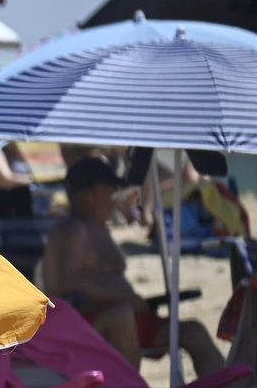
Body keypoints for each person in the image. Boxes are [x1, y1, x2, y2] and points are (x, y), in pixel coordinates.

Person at [42, 157, 225, 376]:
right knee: (122, 317)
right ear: (95, 192)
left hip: (122, 315)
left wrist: (128, 300)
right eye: (112, 190)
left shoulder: (98, 227)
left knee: (193, 332)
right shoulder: (72, 230)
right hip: (85, 323)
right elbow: (66, 282)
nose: (115, 198)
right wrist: (123, 298)